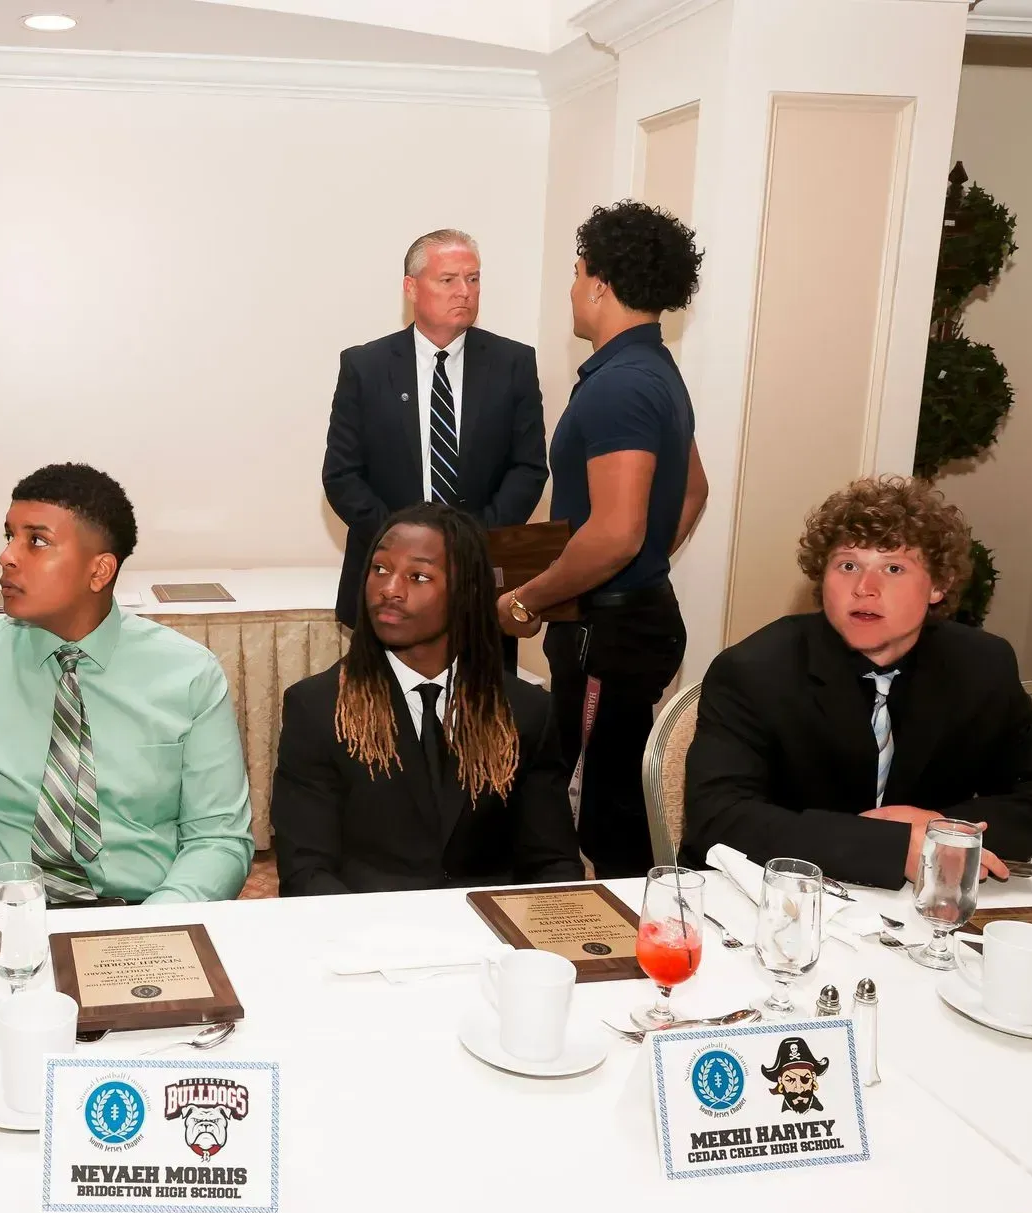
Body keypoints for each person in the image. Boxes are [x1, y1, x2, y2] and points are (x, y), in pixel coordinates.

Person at [682, 477, 1032, 888]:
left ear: (938, 585)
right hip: (787, 903)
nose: (865, 588)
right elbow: (718, 819)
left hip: (927, 909)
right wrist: (893, 847)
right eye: (848, 565)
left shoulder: (980, 665)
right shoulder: (755, 670)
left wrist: (941, 831)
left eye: (894, 568)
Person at [0, 463, 253, 908]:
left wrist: (150, 927)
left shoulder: (189, 674)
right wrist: (11, 922)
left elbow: (218, 840)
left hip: (146, 913)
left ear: (99, 571)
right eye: (9, 536)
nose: (7, 557)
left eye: (37, 541)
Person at [498, 201, 708, 878]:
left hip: (608, 638)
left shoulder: (621, 386)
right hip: (626, 621)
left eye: (577, 270)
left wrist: (529, 600)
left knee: (595, 820)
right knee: (612, 798)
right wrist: (636, 568)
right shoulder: (654, 372)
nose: (571, 288)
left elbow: (615, 533)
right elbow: (692, 492)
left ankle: (619, 954)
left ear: (600, 283)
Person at [274, 504, 581, 893]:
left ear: (467, 592)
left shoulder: (524, 711)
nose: (389, 589)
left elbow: (552, 863)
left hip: (491, 935)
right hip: (365, 931)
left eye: (418, 576)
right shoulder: (317, 709)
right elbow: (306, 870)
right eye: (380, 569)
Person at [322, 228, 548, 627]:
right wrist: (405, 545)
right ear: (411, 288)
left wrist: (471, 541)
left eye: (473, 279)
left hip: (480, 578)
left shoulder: (513, 363)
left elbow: (528, 467)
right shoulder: (365, 367)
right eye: (449, 280)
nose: (465, 291)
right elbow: (342, 475)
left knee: (481, 691)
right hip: (386, 585)